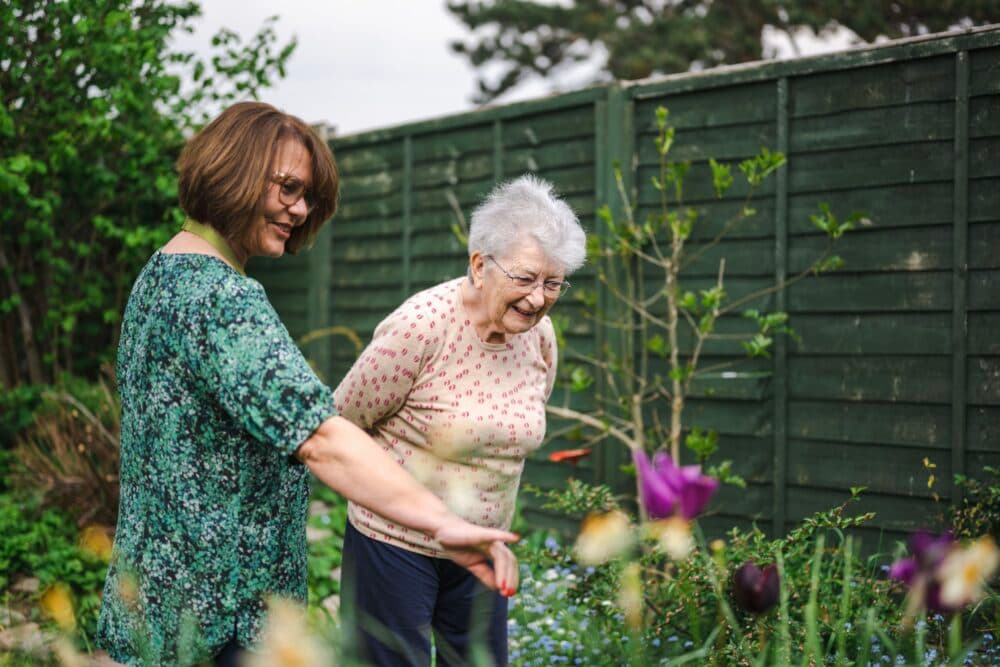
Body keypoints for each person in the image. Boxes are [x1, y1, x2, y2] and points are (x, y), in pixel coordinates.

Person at [95, 101, 519, 666]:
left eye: (309, 198)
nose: (299, 210)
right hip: (219, 616)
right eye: (288, 188)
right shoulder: (225, 300)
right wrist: (442, 521)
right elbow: (320, 437)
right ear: (233, 170)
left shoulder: (161, 274)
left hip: (153, 599)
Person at [334, 175, 587, 666]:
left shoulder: (540, 337)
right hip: (394, 546)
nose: (538, 298)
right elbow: (341, 422)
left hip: (482, 551)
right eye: (525, 278)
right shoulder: (420, 327)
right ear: (478, 265)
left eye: (553, 283)